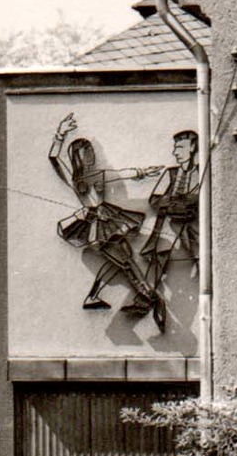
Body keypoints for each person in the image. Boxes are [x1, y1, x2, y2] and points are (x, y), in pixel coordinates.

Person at [49, 113, 157, 316]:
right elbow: (54, 158)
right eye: (85, 152)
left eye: (90, 152)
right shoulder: (75, 178)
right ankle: (144, 292)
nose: (90, 156)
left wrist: (143, 172)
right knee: (124, 259)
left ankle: (102, 296)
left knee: (123, 258)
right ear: (77, 157)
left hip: (108, 218)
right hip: (96, 223)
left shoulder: (99, 174)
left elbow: (123, 173)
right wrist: (60, 135)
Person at [142, 130, 200, 317]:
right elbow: (155, 200)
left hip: (192, 226)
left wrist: (187, 201)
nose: (175, 152)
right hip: (169, 225)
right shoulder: (171, 173)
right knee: (160, 256)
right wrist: (175, 201)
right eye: (175, 148)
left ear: (192, 148)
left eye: (180, 147)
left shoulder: (201, 173)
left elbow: (201, 198)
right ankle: (149, 296)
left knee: (199, 256)